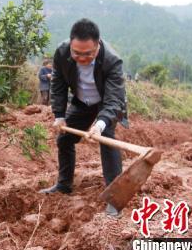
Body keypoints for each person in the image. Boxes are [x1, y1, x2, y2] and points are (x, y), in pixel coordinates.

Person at [40, 18, 127, 218]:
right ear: (71, 44)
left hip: (106, 105)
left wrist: (100, 124)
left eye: (88, 54)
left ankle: (115, 199)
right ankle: (64, 185)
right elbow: (59, 84)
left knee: (107, 140)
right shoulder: (62, 52)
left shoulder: (112, 60)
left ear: (98, 45)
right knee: (64, 139)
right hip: (81, 102)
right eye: (76, 53)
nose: (81, 58)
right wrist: (59, 115)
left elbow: (114, 100)